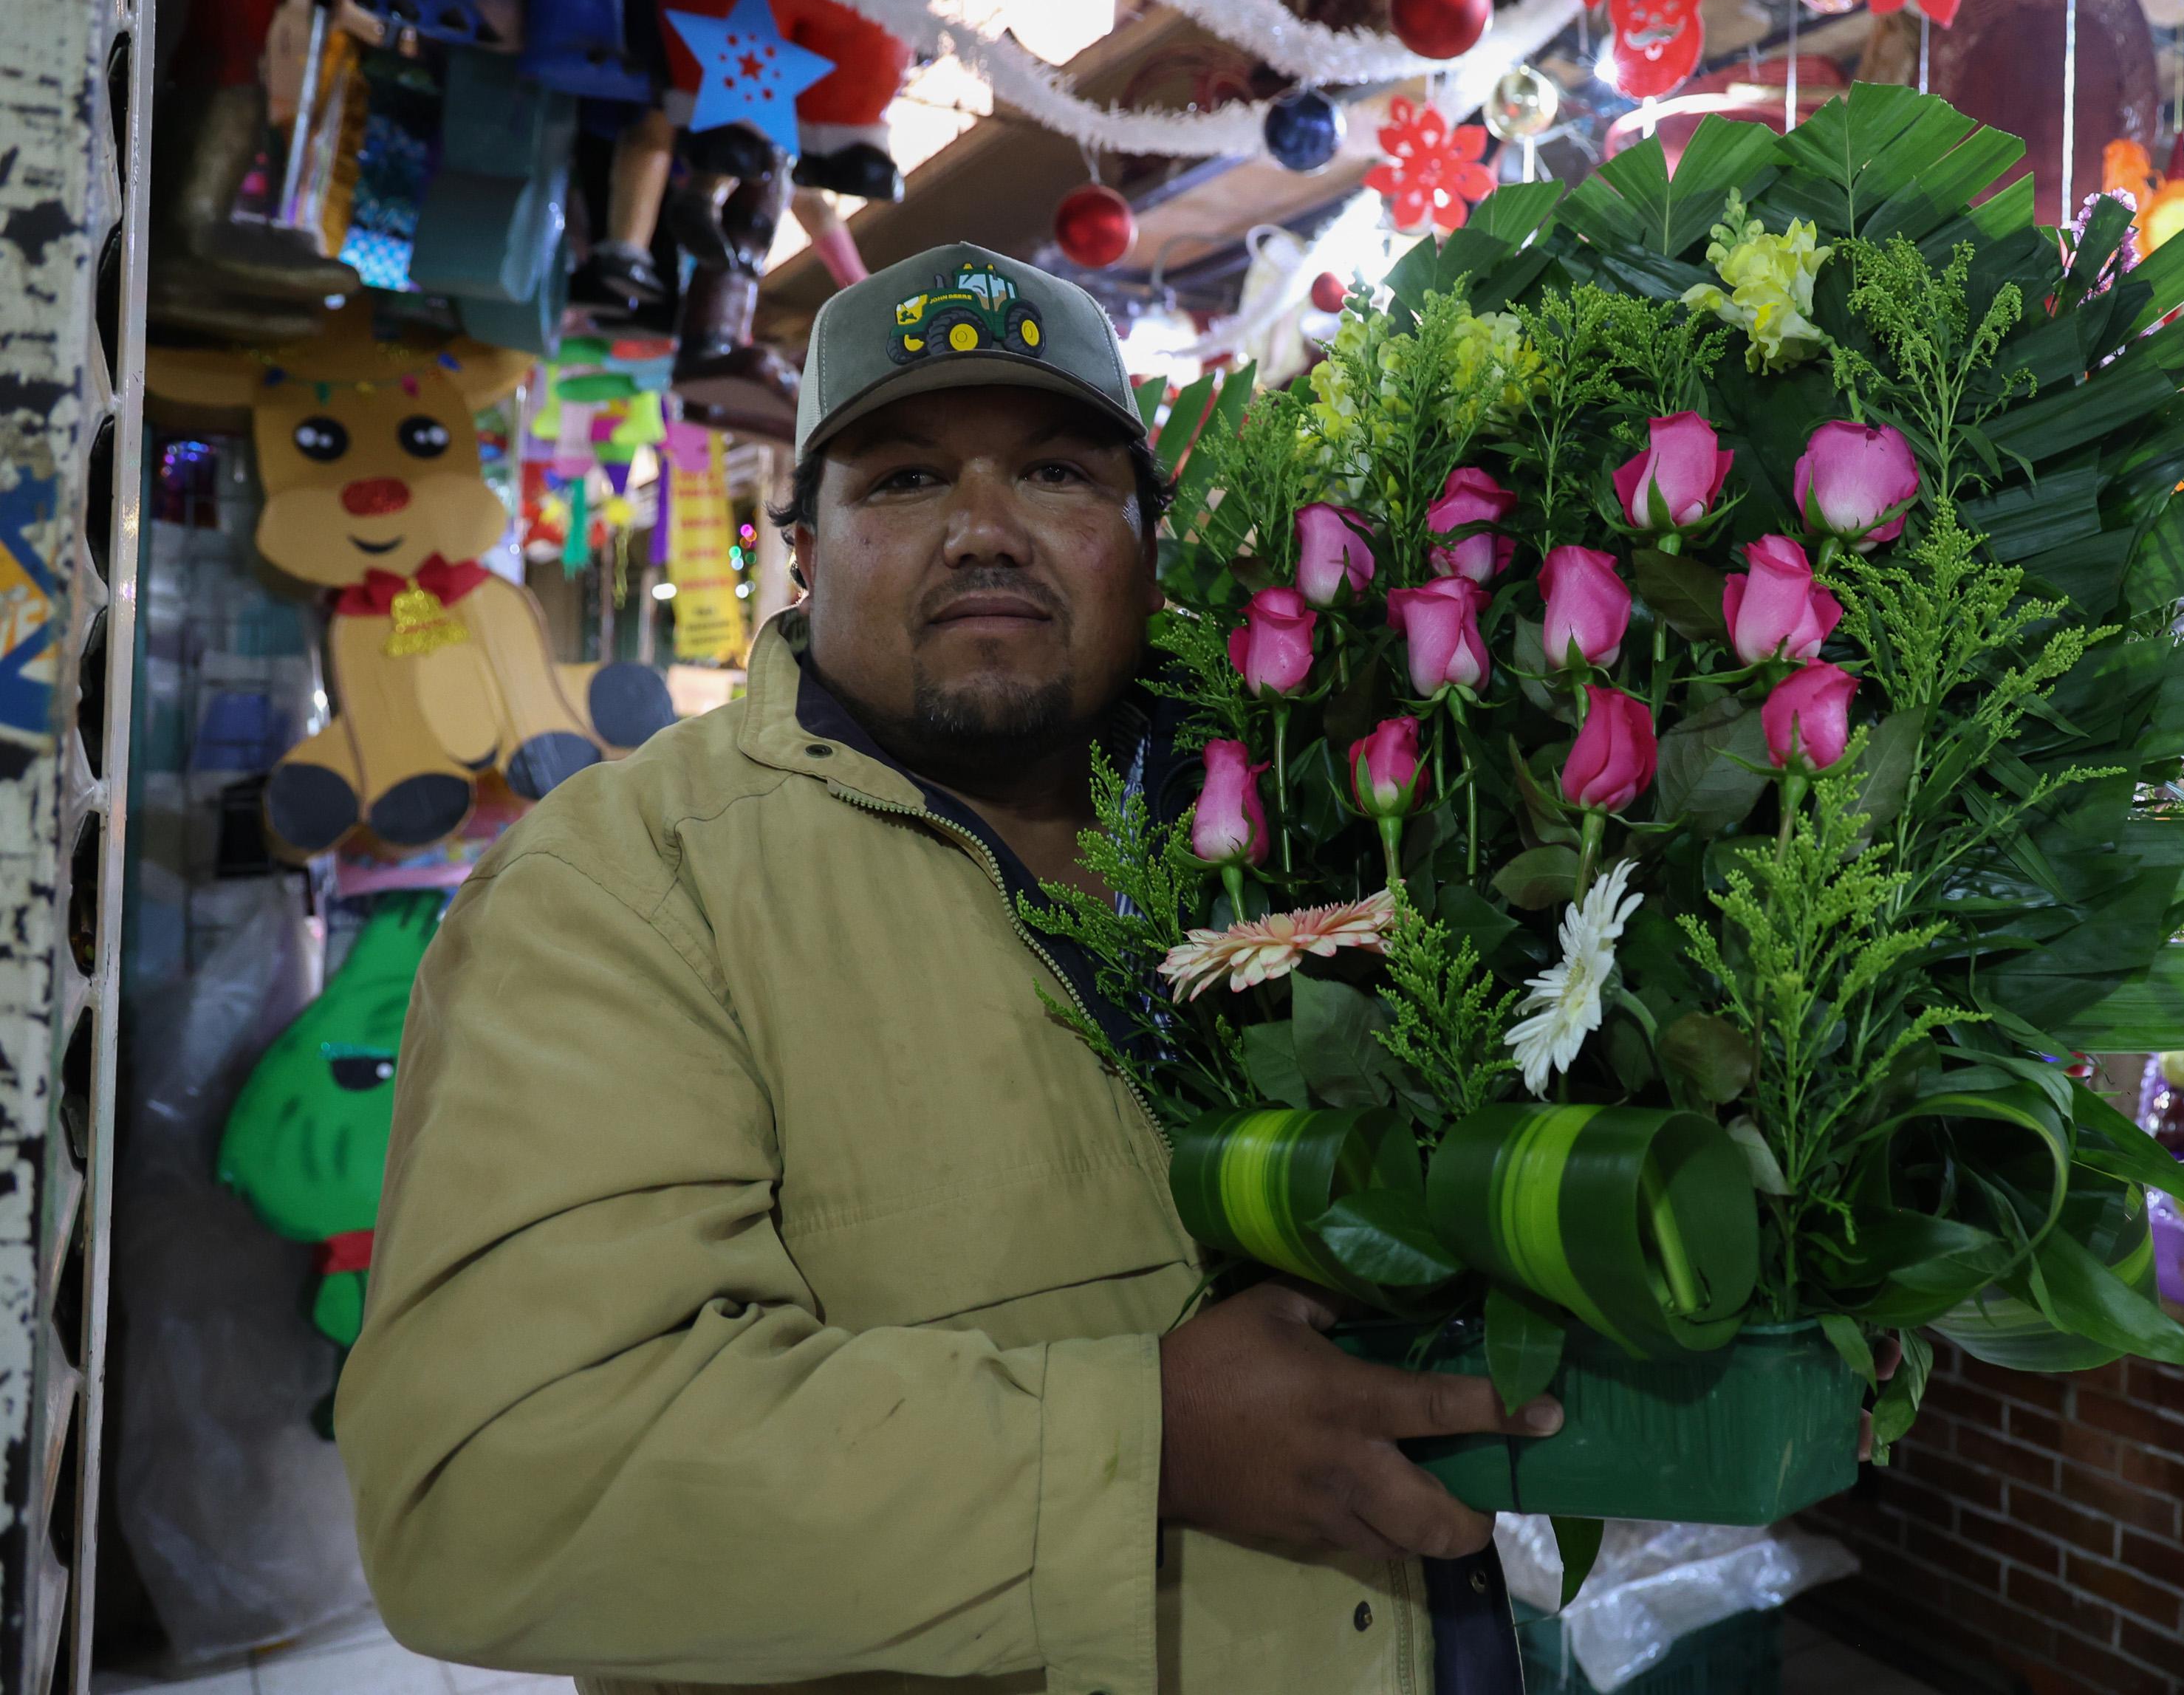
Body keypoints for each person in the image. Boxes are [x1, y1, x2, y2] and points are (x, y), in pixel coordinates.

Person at [337, 243, 1554, 1695]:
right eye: (903, 480)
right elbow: (494, 1489)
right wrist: (1138, 1441)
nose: (985, 528)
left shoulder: (1324, 805)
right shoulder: (626, 881)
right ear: (802, 542)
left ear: (1147, 532)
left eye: (1055, 473)